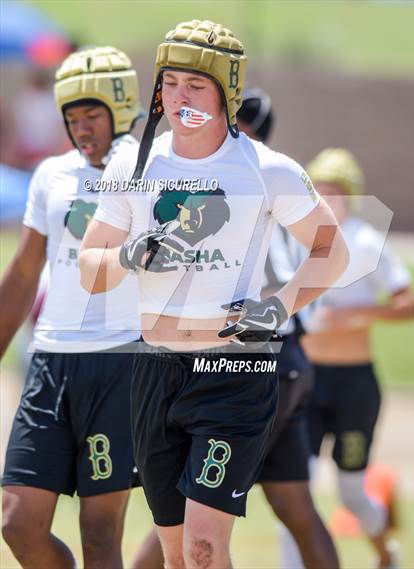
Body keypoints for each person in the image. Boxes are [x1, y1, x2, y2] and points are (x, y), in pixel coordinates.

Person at [79, 20, 349, 569]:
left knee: (204, 547)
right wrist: (129, 257)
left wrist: (278, 307)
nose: (180, 96)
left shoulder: (266, 169)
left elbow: (332, 251)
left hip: (235, 372)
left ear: (226, 92)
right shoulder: (133, 166)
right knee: (177, 554)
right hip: (154, 369)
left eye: (195, 85)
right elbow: (90, 266)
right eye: (171, 82)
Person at [1, 46, 162, 569]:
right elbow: (25, 271)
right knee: (16, 522)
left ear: (120, 111)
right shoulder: (51, 174)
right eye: (72, 117)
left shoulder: (150, 173)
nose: (81, 127)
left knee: (99, 535)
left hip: (120, 363)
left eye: (93, 114)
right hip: (49, 362)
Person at [282, 148, 414, 569]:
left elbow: (407, 303)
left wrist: (354, 315)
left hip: (355, 384)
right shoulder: (294, 239)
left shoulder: (366, 241)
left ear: (350, 196)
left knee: (352, 494)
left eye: (333, 192)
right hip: (306, 379)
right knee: (292, 487)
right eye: (317, 191)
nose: (325, 200)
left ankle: (384, 552)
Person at [236, 88, 340, 568]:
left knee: (193, 497)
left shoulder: (243, 178)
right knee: (296, 506)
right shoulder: (281, 181)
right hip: (292, 357)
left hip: (259, 357)